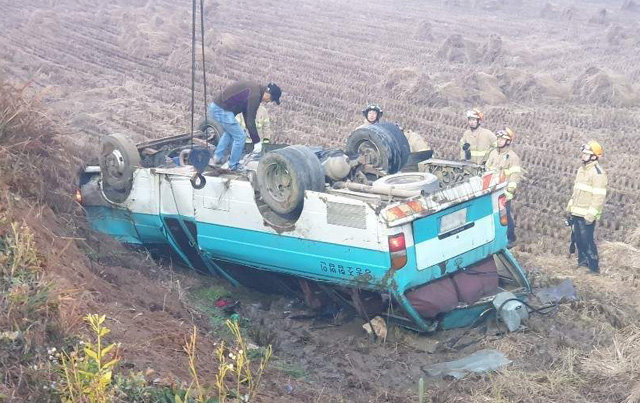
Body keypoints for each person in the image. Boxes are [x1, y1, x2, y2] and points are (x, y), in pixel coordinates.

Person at [209, 81, 281, 171]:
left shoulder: (255, 91)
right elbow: (250, 120)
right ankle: (233, 165)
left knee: (230, 133)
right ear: (268, 94)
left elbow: (247, 115)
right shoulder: (255, 95)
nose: (269, 102)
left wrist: (249, 130)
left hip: (218, 107)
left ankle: (217, 157)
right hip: (221, 110)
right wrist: (257, 142)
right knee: (240, 137)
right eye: (272, 99)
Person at [566, 141, 608, 274]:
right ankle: (582, 263)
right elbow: (576, 191)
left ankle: (594, 268)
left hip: (586, 216)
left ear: (594, 157)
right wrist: (570, 207)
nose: (583, 156)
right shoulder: (581, 170)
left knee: (587, 242)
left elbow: (599, 197)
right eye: (583, 153)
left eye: (586, 154)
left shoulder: (598, 173)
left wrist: (591, 215)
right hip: (577, 212)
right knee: (578, 240)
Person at [485, 127, 522, 248]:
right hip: (491, 191)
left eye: (502, 139)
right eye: (499, 138)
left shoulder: (512, 157)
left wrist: (509, 190)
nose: (499, 140)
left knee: (505, 215)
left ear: (508, 141)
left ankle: (511, 238)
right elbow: (486, 169)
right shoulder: (493, 153)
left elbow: (515, 175)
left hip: (504, 193)